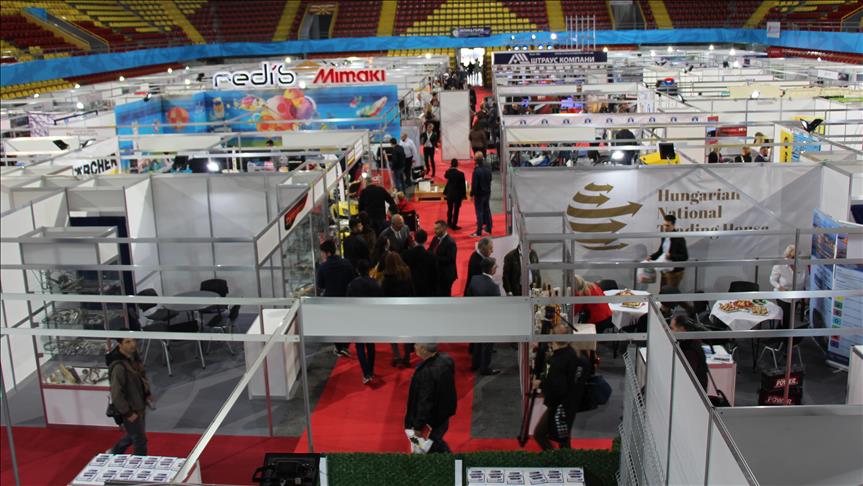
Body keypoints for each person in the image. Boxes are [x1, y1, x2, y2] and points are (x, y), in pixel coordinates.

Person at [532, 324, 593, 450]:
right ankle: (564, 457)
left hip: (560, 405)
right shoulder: (575, 354)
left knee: (540, 434)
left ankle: (556, 458)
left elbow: (557, 386)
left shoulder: (558, 360)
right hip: (571, 402)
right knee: (564, 436)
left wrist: (541, 384)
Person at [404, 343, 457, 453]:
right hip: (442, 414)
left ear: (424, 349)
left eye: (417, 345)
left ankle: (451, 459)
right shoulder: (446, 360)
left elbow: (425, 401)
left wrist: (418, 426)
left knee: (430, 445)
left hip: (431, 420)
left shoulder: (427, 372)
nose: (414, 346)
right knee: (435, 442)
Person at [109, 338, 151, 455]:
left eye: (133, 341)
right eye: (127, 342)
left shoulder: (133, 357)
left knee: (134, 435)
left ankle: (114, 452)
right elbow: (116, 393)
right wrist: (128, 413)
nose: (133, 344)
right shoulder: (118, 367)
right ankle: (139, 463)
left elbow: (140, 377)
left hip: (139, 405)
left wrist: (147, 393)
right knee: (140, 441)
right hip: (131, 409)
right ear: (120, 344)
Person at [316, 239, 356, 357]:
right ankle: (345, 346)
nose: (321, 255)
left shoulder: (323, 267)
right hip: (346, 298)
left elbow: (320, 285)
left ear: (328, 253)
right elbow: (352, 279)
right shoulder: (346, 263)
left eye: (322, 252)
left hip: (331, 300)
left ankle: (339, 347)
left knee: (333, 324)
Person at [346, 259, 383, 384]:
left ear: (357, 270)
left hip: (357, 318)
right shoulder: (375, 283)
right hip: (372, 318)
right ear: (369, 270)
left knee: (360, 346)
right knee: (370, 345)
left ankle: (366, 373)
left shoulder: (352, 284)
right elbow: (381, 300)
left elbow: (348, 302)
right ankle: (370, 371)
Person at [465, 257, 502, 376]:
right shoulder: (493, 287)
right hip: (488, 320)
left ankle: (475, 364)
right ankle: (484, 368)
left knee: (477, 342)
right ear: (491, 269)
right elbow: (497, 308)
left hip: (475, 317)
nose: (497, 267)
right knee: (487, 345)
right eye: (495, 266)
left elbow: (469, 297)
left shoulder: (474, 279)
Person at [381, 252, 415, 367]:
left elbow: (384, 297)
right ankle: (407, 357)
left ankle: (397, 356)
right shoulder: (407, 275)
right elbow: (412, 292)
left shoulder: (387, 279)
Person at [770, 244, 806, 328]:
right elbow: (772, 280)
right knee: (787, 319)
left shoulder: (802, 265)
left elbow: (807, 279)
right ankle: (783, 335)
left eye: (796, 257)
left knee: (789, 318)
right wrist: (779, 287)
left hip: (796, 296)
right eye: (792, 257)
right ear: (787, 256)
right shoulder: (780, 265)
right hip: (783, 297)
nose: (795, 259)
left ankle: (780, 332)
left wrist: (807, 293)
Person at [649, 214, 688, 290]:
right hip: (664, 270)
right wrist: (651, 257)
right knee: (663, 292)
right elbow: (661, 251)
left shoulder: (679, 238)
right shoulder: (664, 236)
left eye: (667, 225)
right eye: (664, 225)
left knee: (669, 293)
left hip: (674, 272)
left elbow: (685, 256)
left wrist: (671, 256)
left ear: (673, 226)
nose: (665, 227)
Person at [670, 315, 708, 391]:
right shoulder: (689, 343)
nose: (670, 331)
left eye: (672, 328)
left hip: (692, 391)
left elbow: (688, 375)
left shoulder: (690, 349)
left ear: (681, 329)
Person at [401, 229, 438, 297]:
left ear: (415, 238)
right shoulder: (431, 256)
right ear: (426, 239)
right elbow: (434, 273)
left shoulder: (407, 254)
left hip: (412, 286)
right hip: (427, 287)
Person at [429, 220, 457, 296]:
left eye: (437, 229)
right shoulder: (435, 238)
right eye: (434, 228)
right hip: (437, 273)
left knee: (445, 294)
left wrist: (434, 258)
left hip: (446, 275)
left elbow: (450, 259)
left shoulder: (450, 243)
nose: (435, 231)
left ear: (444, 228)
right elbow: (430, 250)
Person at [470, 154, 493, 238]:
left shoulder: (476, 171)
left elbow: (474, 185)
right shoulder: (488, 169)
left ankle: (478, 231)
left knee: (479, 212)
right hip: (487, 193)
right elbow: (490, 179)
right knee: (487, 210)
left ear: (476, 161)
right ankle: (489, 228)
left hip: (479, 195)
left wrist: (472, 194)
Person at [443, 159, 467, 230]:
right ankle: (454, 225)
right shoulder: (461, 174)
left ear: (451, 164)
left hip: (450, 193)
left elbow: (445, 175)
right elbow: (463, 186)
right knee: (456, 210)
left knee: (449, 209)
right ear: (457, 165)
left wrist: (450, 168)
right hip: (458, 195)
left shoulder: (448, 172)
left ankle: (448, 222)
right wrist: (464, 195)